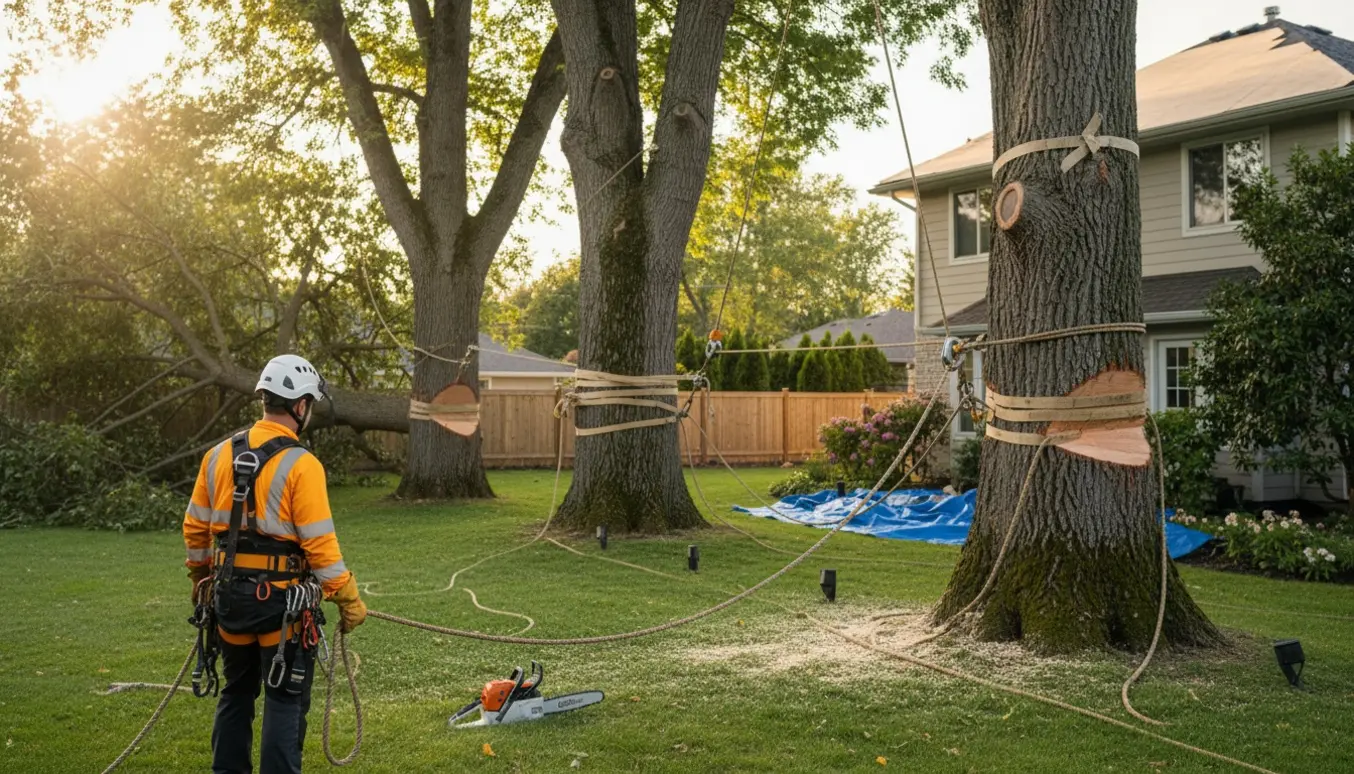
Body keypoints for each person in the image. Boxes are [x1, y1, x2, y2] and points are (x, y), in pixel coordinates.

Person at [182, 354, 366, 774]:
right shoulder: (302, 464)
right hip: (280, 606)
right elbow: (321, 547)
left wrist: (201, 577)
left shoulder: (215, 457)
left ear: (266, 398)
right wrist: (349, 598)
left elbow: (194, 529)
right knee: (284, 699)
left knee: (236, 692)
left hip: (228, 599)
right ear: (300, 405)